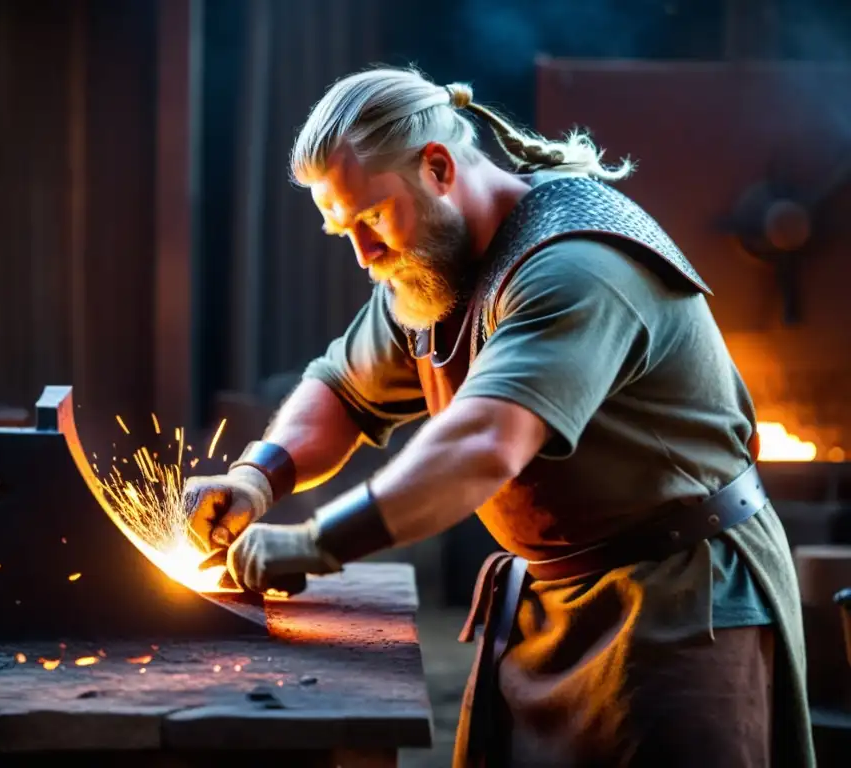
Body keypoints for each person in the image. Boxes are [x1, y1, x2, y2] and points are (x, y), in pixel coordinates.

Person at [182, 66, 814, 767]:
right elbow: (342, 386)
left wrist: (318, 542)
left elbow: (484, 444)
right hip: (552, 606)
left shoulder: (574, 267)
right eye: (342, 229)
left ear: (440, 166)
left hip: (679, 606)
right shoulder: (429, 267)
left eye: (369, 219)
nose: (364, 255)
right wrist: (256, 478)